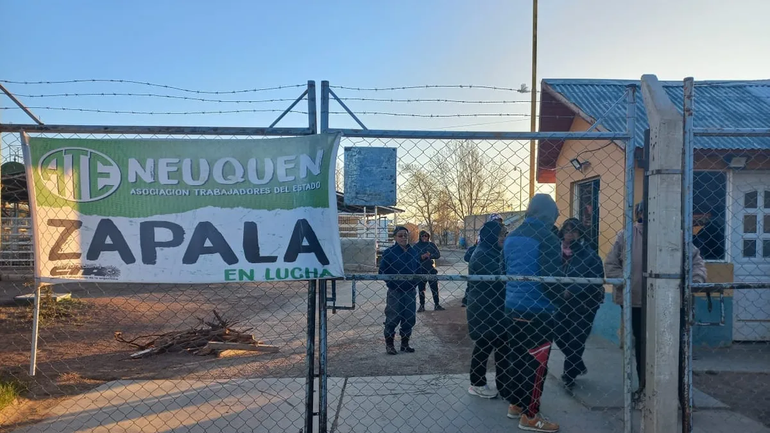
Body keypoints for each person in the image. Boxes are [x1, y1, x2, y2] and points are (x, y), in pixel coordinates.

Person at [605, 200, 707, 402]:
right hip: (636, 302)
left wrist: (696, 281)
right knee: (643, 348)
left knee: (674, 348)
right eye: (645, 212)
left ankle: (681, 395)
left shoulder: (676, 235)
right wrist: (626, 283)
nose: (649, 216)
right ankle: (645, 390)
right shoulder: (626, 235)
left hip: (670, 302)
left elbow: (696, 262)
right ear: (639, 214)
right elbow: (610, 264)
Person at [502, 194, 563, 433]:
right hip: (539, 310)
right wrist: (561, 300)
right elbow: (551, 279)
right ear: (547, 214)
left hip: (512, 307)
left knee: (516, 358)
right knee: (537, 364)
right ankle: (531, 415)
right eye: (554, 217)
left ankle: (516, 404)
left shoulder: (512, 236)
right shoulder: (547, 238)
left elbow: (502, 270)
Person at [553, 218, 605, 390]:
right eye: (567, 230)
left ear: (580, 233)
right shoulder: (555, 252)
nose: (570, 234)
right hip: (561, 303)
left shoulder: (588, 254)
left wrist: (572, 290)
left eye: (574, 231)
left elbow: (595, 278)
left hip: (584, 303)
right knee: (559, 335)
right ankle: (577, 363)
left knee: (576, 338)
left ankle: (569, 374)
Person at [466, 220, 511, 399]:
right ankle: (477, 383)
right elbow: (501, 277)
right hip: (484, 309)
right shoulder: (483, 254)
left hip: (496, 308)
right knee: (484, 345)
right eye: (502, 234)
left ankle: (504, 385)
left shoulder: (493, 251)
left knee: (502, 346)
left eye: (505, 234)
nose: (504, 238)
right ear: (492, 236)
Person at [379, 226, 421, 355]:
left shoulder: (413, 252)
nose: (403, 238)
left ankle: (405, 343)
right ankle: (390, 344)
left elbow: (418, 270)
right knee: (392, 317)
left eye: (405, 235)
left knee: (409, 318)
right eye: (400, 235)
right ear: (395, 237)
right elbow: (382, 272)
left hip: (410, 290)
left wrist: (415, 283)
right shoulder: (389, 253)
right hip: (395, 291)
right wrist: (392, 284)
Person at [414, 230, 444, 312]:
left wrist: (430, 255)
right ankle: (422, 305)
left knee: (434, 288)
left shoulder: (431, 245)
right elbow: (413, 257)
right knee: (421, 289)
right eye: (423, 236)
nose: (424, 237)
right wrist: (421, 257)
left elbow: (438, 254)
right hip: (421, 270)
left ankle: (437, 304)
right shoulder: (416, 246)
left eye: (426, 236)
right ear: (420, 237)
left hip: (431, 269)